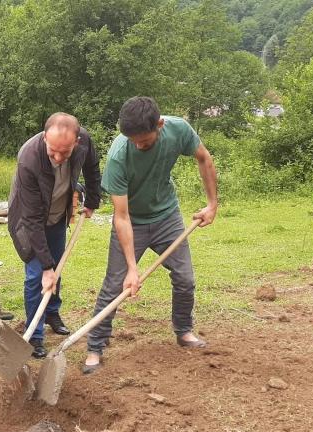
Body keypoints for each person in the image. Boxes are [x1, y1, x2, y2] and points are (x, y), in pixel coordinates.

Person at [82, 96, 218, 374]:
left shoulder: (178, 130)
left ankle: (184, 331)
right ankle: (95, 346)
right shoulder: (119, 155)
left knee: (185, 278)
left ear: (160, 124)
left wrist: (212, 204)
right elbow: (121, 217)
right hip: (133, 221)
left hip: (167, 216)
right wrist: (133, 268)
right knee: (114, 285)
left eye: (143, 141)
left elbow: (204, 158)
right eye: (132, 140)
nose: (137, 145)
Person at [8, 112, 101, 358]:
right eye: (53, 152)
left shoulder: (85, 143)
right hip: (28, 220)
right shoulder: (28, 158)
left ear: (76, 142)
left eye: (65, 153)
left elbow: (92, 168)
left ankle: (51, 313)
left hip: (58, 213)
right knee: (38, 275)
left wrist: (92, 199)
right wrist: (46, 266)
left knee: (56, 270)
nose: (59, 159)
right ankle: (34, 335)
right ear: (45, 139)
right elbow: (31, 218)